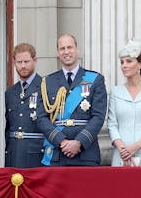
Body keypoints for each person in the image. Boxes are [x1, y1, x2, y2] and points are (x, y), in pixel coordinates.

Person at [37, 34, 107, 166]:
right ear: (58, 53)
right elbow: (41, 118)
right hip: (57, 153)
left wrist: (79, 142)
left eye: (70, 47)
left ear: (77, 50)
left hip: (86, 153)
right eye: (62, 48)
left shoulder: (95, 79)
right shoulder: (47, 82)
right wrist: (62, 142)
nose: (66, 52)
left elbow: (98, 116)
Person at [5, 43, 44, 168]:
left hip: (37, 154)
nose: (23, 66)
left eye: (26, 61)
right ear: (14, 62)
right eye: (19, 62)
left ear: (35, 60)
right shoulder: (10, 92)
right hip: (13, 154)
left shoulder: (46, 87)